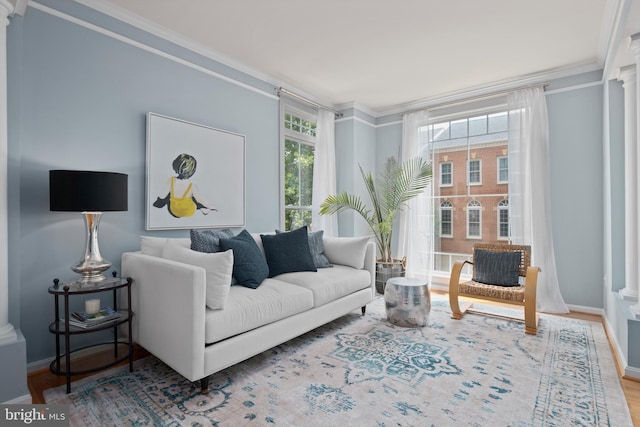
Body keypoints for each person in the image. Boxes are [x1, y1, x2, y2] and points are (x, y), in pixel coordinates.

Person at [153, 153, 216, 218]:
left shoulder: (171, 180)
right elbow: (200, 199)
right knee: (194, 198)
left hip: (174, 210)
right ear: (192, 171)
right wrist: (208, 205)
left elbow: (162, 196)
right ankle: (202, 208)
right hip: (189, 211)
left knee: (169, 195)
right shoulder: (191, 185)